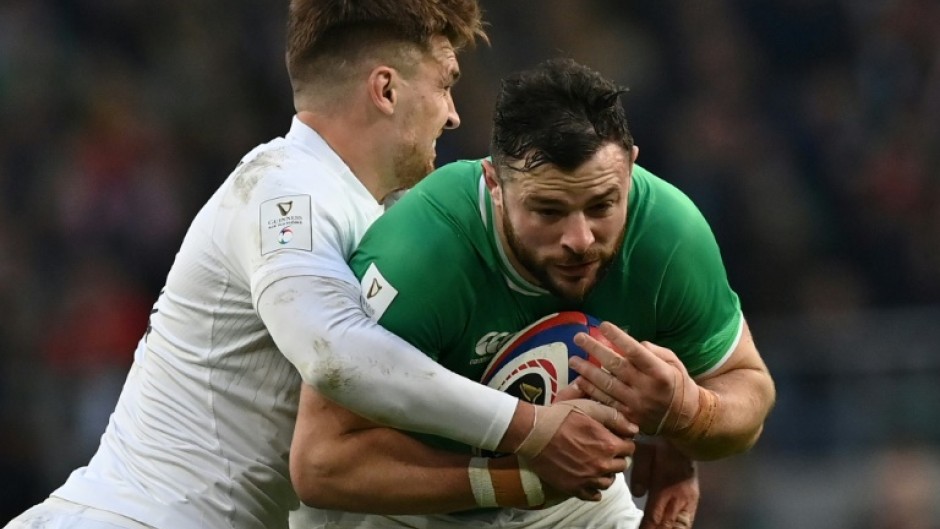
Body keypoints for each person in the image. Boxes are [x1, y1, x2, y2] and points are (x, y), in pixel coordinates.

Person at [3, 5, 637, 529]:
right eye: (445, 83)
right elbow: (337, 355)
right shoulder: (287, 189)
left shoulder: (385, 224)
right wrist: (529, 430)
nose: (454, 113)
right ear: (386, 89)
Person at [288, 58, 775, 529]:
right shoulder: (423, 254)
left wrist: (685, 415)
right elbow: (322, 464)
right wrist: (516, 481)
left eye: (603, 204)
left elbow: (746, 388)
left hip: (570, 500)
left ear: (630, 167)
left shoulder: (669, 234)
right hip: (405, 509)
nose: (580, 239)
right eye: (548, 211)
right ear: (494, 183)